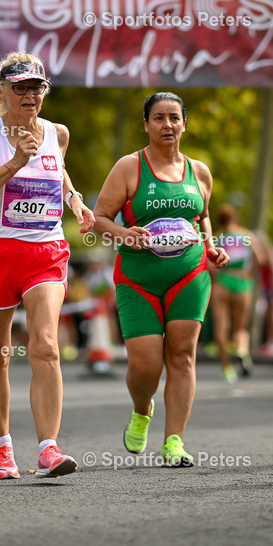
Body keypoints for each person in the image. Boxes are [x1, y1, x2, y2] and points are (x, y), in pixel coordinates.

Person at [0, 53, 94, 479]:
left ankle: (49, 449)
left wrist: (74, 199)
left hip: (45, 251)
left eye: (36, 87)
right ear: (2, 92)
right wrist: (15, 162)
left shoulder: (58, 133)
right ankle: (2, 448)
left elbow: (61, 169)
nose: (29, 95)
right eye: (19, 87)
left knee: (46, 344)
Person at [92, 91, 230, 469]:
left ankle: (174, 442)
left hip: (190, 274)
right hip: (138, 280)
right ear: (146, 124)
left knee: (182, 356)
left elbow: (201, 217)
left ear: (184, 123)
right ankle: (141, 410)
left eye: (174, 117)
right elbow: (98, 218)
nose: (167, 125)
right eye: (158, 118)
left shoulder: (199, 172)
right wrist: (124, 234)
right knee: (145, 366)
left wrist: (211, 246)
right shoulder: (129, 167)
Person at [211, 204, 266, 382]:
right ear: (234, 218)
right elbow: (260, 258)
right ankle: (241, 351)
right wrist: (248, 273)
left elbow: (210, 264)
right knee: (240, 328)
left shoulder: (217, 236)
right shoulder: (246, 234)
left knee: (221, 327)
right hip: (242, 282)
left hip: (223, 281)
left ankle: (227, 369)